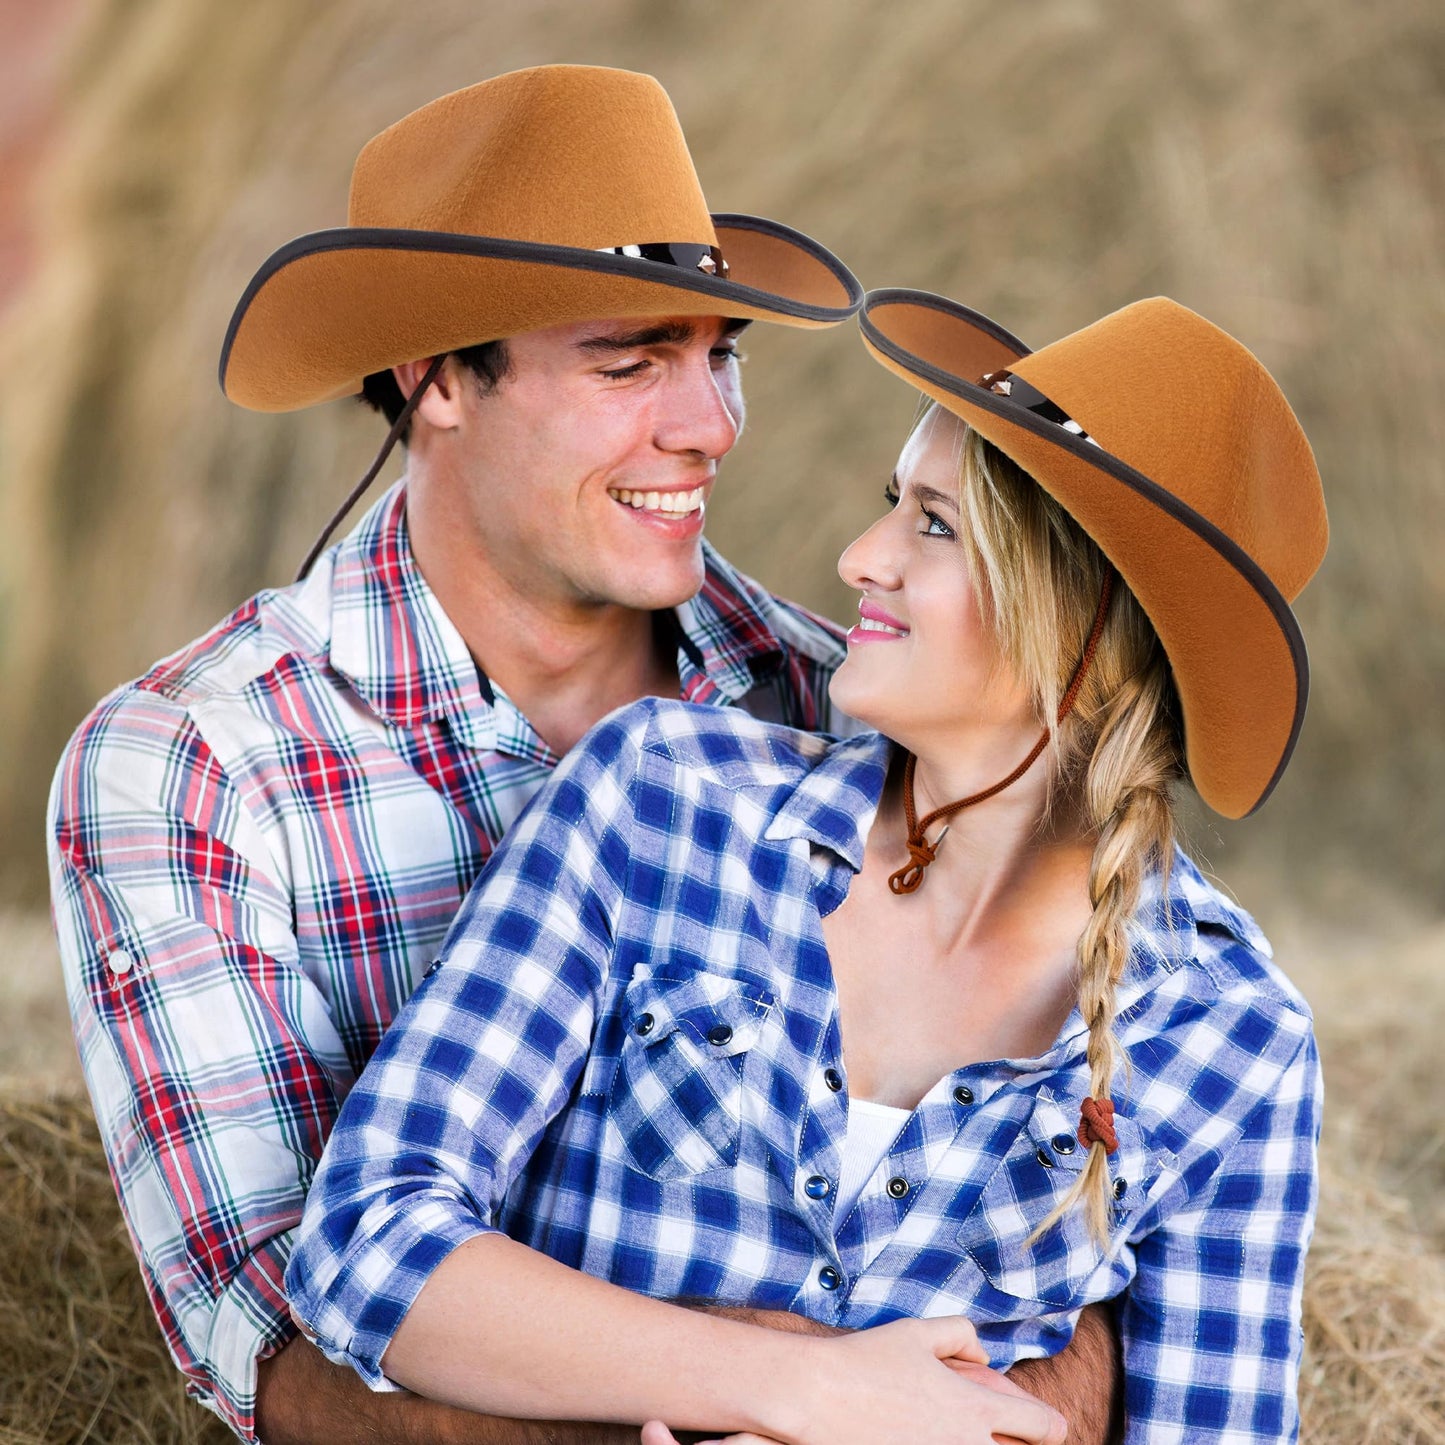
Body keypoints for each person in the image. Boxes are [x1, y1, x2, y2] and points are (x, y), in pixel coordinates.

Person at [45, 69, 1108, 1445]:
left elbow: (1090, 1227)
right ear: (434, 375)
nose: (711, 424)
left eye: (718, 353)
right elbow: (277, 1352)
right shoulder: (190, 770)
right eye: (629, 364)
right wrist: (749, 1398)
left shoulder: (839, 707)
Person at [286, 290, 1328, 1444]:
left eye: (930, 524)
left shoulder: (1230, 1039)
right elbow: (369, 1240)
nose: (858, 557)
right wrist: (793, 1385)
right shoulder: (662, 798)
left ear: (1078, 622)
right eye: (893, 503)